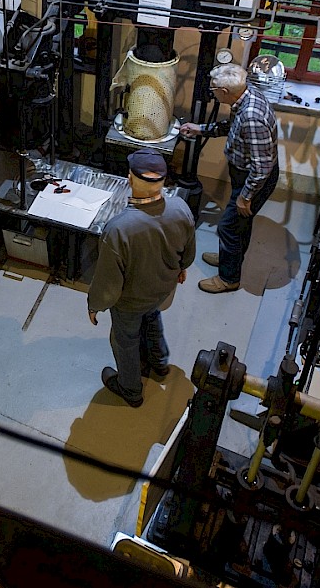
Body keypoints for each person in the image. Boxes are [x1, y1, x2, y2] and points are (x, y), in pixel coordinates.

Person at [87, 148, 196, 407]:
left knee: (125, 341)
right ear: (163, 181)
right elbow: (188, 255)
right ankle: (159, 364)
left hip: (130, 301)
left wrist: (95, 305)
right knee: (152, 317)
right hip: (162, 290)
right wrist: (179, 269)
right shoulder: (181, 208)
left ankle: (131, 389)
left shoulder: (119, 229)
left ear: (130, 180)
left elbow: (108, 285)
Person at [179, 63, 279, 294]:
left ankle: (229, 278)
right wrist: (200, 129)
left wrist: (246, 197)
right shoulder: (244, 96)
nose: (211, 91)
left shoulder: (252, 116)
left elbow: (262, 167)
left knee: (228, 227)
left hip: (254, 180)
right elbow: (233, 127)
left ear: (223, 92)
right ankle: (230, 258)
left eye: (213, 88)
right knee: (239, 225)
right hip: (246, 174)